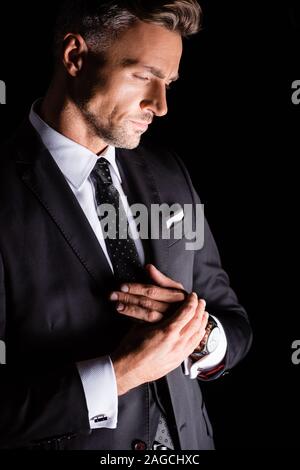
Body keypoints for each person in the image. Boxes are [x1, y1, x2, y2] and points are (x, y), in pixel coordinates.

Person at [0, 0, 252, 450]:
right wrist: (121, 373)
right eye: (144, 76)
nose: (161, 105)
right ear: (75, 57)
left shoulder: (169, 172)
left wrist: (201, 334)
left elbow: (232, 322)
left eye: (169, 83)